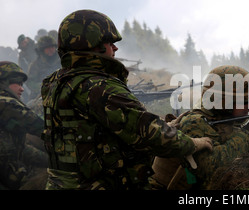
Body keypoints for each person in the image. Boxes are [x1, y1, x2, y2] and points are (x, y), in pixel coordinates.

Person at [40, 9, 212, 190]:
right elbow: (153, 137)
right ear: (94, 45)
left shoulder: (54, 82)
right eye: (109, 42)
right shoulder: (100, 87)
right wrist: (193, 143)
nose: (115, 48)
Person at [0, 61, 47, 190]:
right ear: (4, 82)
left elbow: (21, 148)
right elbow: (42, 129)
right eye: (18, 83)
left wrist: (46, 160)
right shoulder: (7, 103)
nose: (22, 88)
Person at [27, 35, 61, 100]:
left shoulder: (61, 59)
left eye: (52, 47)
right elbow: (30, 82)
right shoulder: (35, 65)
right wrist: (43, 86)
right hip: (42, 95)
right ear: (42, 50)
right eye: (47, 48)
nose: (50, 49)